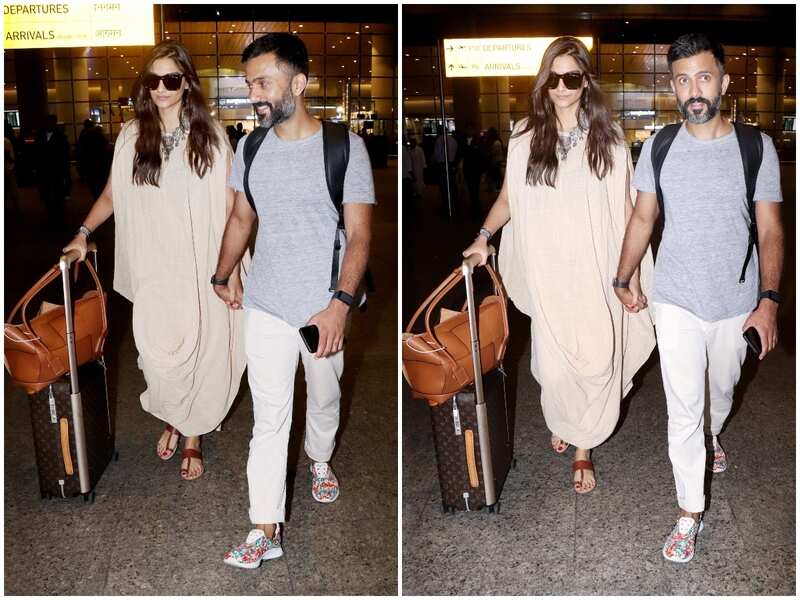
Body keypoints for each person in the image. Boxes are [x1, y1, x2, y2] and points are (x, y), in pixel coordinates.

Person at [613, 33, 783, 563]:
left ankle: (715, 434)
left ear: (724, 82)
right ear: (673, 87)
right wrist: (623, 277)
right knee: (683, 407)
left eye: (704, 77)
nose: (694, 90)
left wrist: (769, 301)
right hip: (676, 298)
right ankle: (689, 511)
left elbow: (771, 229)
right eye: (683, 80)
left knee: (721, 392)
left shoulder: (756, 147)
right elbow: (643, 217)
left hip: (735, 301)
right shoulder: (659, 146)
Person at [463, 36, 656, 494]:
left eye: (572, 77)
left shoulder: (609, 137)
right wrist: (483, 237)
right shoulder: (524, 136)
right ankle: (567, 418)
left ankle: (583, 446)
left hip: (596, 268)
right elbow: (509, 198)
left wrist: (629, 273)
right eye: (554, 78)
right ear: (543, 83)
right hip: (548, 270)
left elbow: (627, 210)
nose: (563, 87)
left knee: (598, 361)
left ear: (586, 81)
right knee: (553, 368)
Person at [211, 32, 374, 569]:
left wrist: (340, 305)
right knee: (269, 418)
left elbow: (359, 235)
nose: (253, 94)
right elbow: (241, 217)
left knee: (324, 398)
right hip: (265, 304)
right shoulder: (250, 147)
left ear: (299, 83)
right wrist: (222, 273)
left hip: (321, 308)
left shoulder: (344, 147)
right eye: (249, 83)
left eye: (263, 82)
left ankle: (320, 457)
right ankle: (265, 527)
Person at [62, 40, 247, 482]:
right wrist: (83, 234)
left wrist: (232, 269)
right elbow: (111, 195)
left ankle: (191, 434)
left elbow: (231, 207)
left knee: (201, 348)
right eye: (153, 80)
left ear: (187, 84)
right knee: (157, 351)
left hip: (201, 265)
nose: (161, 88)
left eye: (171, 79)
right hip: (155, 267)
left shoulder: (210, 135)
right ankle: (174, 415)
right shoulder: (132, 136)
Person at [35, 114, 70, 229]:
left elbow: (65, 156)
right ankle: (51, 217)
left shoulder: (61, 137)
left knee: (58, 196)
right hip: (44, 172)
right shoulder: (40, 136)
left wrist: (65, 173)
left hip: (57, 171)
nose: (49, 125)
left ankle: (59, 219)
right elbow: (37, 154)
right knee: (46, 196)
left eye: (51, 122)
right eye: (47, 122)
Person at [432, 125, 458, 216]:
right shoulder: (452, 140)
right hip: (451, 164)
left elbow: (437, 154)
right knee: (452, 184)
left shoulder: (439, 140)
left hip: (443, 165)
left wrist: (435, 161)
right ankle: (453, 202)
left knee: (444, 186)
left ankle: (446, 204)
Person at [462, 122, 483, 220]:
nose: (469, 131)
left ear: (473, 131)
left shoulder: (478, 141)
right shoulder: (463, 141)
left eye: (470, 129)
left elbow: (480, 157)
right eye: (467, 129)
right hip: (467, 171)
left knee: (475, 191)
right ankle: (474, 209)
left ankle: (476, 210)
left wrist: (481, 172)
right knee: (471, 191)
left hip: (475, 171)